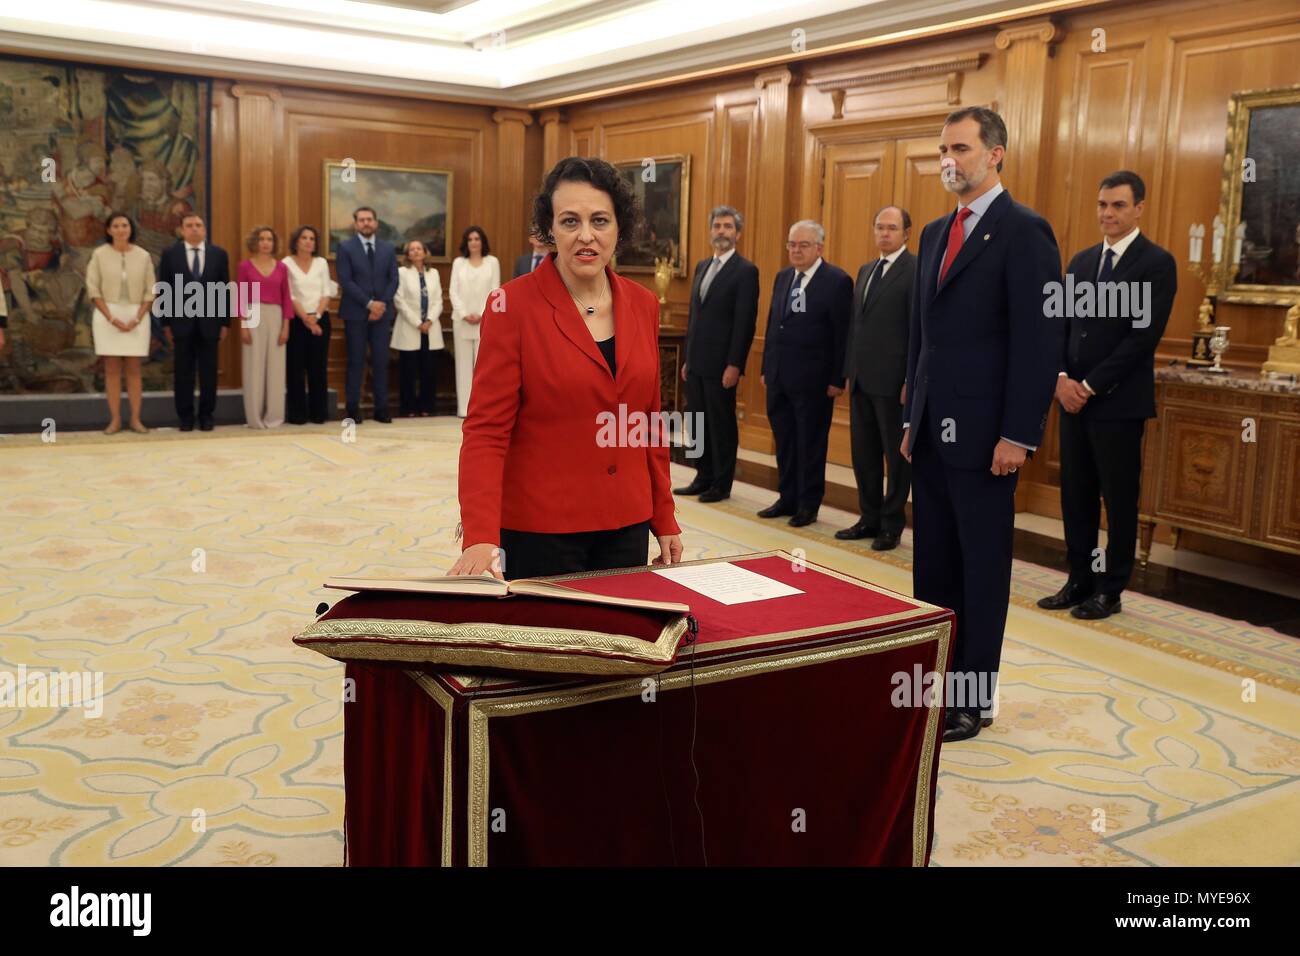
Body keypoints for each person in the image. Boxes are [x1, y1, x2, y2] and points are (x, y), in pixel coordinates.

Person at [901, 106, 1063, 742]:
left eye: (961, 148)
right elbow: (924, 336)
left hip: (988, 438)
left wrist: (1018, 433)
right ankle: (939, 686)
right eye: (943, 148)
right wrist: (912, 416)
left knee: (981, 570)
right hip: (933, 431)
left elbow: (1038, 339)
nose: (949, 159)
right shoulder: (938, 232)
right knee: (933, 568)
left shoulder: (1025, 231)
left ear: (996, 153)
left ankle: (973, 698)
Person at [450, 156, 683, 580]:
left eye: (600, 220)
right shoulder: (511, 305)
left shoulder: (643, 304)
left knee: (620, 642)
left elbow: (647, 420)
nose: (586, 236)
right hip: (542, 527)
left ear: (619, 227)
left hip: (626, 522)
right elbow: (486, 430)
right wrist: (481, 533)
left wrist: (664, 515)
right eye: (570, 221)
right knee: (548, 643)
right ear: (550, 229)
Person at [1039, 170, 1176, 620]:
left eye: (1118, 205)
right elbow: (1059, 326)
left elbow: (1141, 338)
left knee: (1117, 498)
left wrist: (1091, 385)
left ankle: (1111, 588)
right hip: (1072, 401)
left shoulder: (1156, 263)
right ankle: (1079, 578)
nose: (1108, 213)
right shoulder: (1079, 262)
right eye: (1102, 204)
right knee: (1075, 494)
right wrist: (1061, 379)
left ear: (1138, 208)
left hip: (1117, 403)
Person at [758, 220, 853, 527]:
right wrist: (766, 368)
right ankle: (787, 498)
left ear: (819, 248)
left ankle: (808, 504)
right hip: (780, 376)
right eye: (792, 245)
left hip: (815, 381)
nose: (796, 251)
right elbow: (775, 323)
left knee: (810, 445)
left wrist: (837, 379)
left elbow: (842, 334)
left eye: (803, 245)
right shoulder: (784, 276)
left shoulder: (836, 280)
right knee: (784, 441)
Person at [838, 205, 916, 550]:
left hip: (894, 383)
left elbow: (918, 332)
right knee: (864, 454)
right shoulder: (866, 269)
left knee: (894, 459)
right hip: (862, 380)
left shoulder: (915, 270)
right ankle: (868, 517)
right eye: (879, 227)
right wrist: (848, 372)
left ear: (906, 234)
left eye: (891, 228)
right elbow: (856, 325)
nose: (884, 233)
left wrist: (909, 381)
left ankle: (891, 523)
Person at [674, 204, 759, 503]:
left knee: (721, 425)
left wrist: (735, 364)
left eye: (728, 226)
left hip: (722, 364)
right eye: (717, 226)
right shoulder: (702, 266)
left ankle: (721, 484)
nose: (721, 231)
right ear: (710, 231)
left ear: (738, 233)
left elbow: (744, 322)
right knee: (696, 422)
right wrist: (688, 359)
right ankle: (702, 475)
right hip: (696, 362)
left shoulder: (746, 271)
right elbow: (696, 317)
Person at [157, 213, 230, 431]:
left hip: (210, 324)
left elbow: (224, 289)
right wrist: (166, 323)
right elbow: (165, 289)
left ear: (205, 230)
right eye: (189, 226)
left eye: (199, 225)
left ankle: (207, 415)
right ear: (182, 230)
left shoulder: (218, 254)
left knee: (209, 372)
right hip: (181, 324)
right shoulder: (171, 254)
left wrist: (225, 322)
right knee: (183, 373)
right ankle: (185, 417)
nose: (195, 229)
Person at [86, 212, 156, 434]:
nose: (121, 229)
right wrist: (112, 318)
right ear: (108, 230)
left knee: (134, 370)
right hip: (108, 316)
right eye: (116, 226)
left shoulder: (143, 256)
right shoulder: (99, 255)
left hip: (138, 316)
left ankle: (136, 419)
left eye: (124, 225)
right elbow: (93, 289)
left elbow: (150, 291)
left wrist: (137, 318)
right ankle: (115, 420)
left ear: (130, 228)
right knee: (112, 370)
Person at [336, 206, 398, 423]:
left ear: (376, 223)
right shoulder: (345, 247)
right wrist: (369, 304)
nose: (366, 223)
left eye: (369, 219)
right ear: (355, 224)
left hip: (383, 314)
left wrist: (380, 305)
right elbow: (346, 280)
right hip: (355, 313)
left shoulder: (388, 249)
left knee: (381, 362)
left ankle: (382, 409)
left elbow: (393, 280)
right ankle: (353, 408)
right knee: (356, 362)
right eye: (361, 220)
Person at [236, 226, 295, 428]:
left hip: (277, 316)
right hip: (252, 314)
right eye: (261, 238)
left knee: (276, 369)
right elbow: (241, 297)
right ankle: (254, 418)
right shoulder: (245, 266)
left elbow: (287, 298)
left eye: (269, 239)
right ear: (255, 242)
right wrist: (243, 325)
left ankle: (274, 417)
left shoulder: (281, 268)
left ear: (274, 243)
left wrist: (286, 326)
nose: (265, 242)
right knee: (254, 367)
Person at [282, 225, 335, 424]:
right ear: (296, 241)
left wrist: (317, 316)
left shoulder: (321, 263)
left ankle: (318, 413)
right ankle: (297, 415)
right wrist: (306, 318)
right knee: (295, 369)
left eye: (312, 238)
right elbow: (290, 295)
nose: (308, 241)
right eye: (304, 237)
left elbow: (326, 292)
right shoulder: (286, 263)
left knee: (318, 368)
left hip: (321, 319)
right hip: (296, 321)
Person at [449, 225, 501, 417]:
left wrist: (481, 313)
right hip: (461, 321)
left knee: (483, 366)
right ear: (466, 242)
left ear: (482, 242)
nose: (473, 243)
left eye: (477, 239)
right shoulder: (458, 263)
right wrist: (464, 313)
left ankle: (482, 408)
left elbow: (495, 290)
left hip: (485, 321)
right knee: (463, 366)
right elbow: (453, 291)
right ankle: (464, 409)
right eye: (470, 239)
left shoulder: (492, 262)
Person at [392, 238, 445, 417]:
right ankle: (408, 408)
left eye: (419, 248)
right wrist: (417, 322)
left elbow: (438, 300)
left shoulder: (434, 273)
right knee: (408, 372)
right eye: (412, 249)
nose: (415, 252)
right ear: (407, 254)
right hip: (409, 328)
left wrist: (429, 320)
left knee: (428, 371)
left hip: (430, 328)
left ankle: (427, 407)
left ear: (425, 252)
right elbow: (399, 300)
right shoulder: (401, 272)